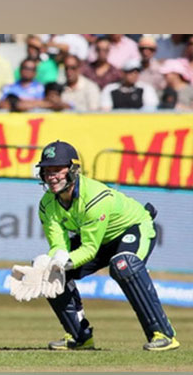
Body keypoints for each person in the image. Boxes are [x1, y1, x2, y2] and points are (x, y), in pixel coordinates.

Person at [31, 140, 179, 351]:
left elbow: (90, 249)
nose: (51, 176)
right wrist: (51, 261)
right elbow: (58, 245)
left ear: (73, 170)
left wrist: (66, 260)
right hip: (99, 238)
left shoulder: (94, 198)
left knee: (123, 265)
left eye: (57, 170)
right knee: (51, 272)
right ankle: (79, 336)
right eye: (46, 170)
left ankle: (163, 334)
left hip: (132, 228)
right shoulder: (47, 204)